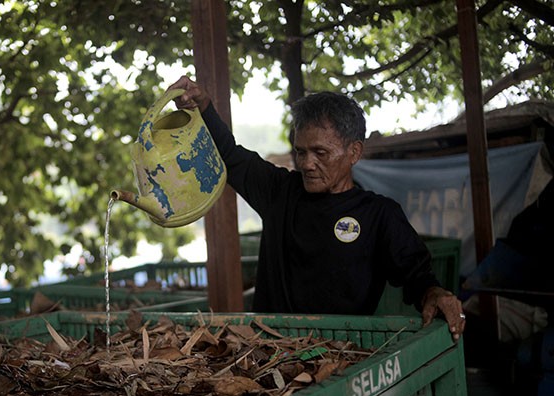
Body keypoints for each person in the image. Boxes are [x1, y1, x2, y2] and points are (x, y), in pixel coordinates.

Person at [168, 76, 466, 340]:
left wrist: (434, 294)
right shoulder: (279, 193)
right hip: (269, 352)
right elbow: (230, 154)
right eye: (301, 152)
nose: (307, 164)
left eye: (320, 152)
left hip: (341, 357)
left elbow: (417, 275)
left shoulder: (379, 215)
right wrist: (203, 108)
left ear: (354, 152)